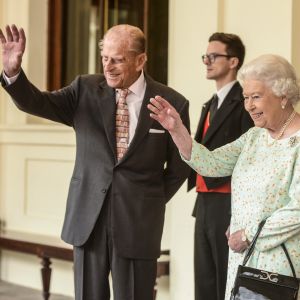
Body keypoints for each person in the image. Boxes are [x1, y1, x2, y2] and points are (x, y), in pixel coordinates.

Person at [0, 24, 191, 300]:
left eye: (118, 59)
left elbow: (179, 166)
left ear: (140, 60)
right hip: (88, 220)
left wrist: (150, 198)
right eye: (105, 58)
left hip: (139, 222)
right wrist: (13, 73)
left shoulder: (172, 102)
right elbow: (37, 103)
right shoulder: (84, 89)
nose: (108, 67)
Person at [148, 53, 300, 300]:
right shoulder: (254, 137)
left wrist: (249, 233)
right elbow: (211, 163)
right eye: (245, 98)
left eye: (256, 97)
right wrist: (177, 130)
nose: (248, 105)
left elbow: (298, 210)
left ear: (283, 96)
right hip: (242, 257)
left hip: (277, 264)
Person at [187, 32, 253, 300]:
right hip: (203, 202)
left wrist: (242, 214)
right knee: (203, 281)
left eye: (214, 56)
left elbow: (249, 159)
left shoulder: (245, 101)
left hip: (228, 204)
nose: (207, 61)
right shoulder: (210, 103)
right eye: (205, 56)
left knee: (225, 283)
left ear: (234, 61)